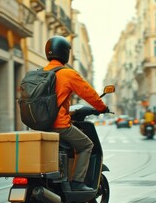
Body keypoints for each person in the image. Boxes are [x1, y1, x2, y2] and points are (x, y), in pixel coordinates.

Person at [44, 36, 109, 192]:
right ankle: (77, 182)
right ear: (66, 53)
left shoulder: (40, 73)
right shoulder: (68, 74)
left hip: (39, 125)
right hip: (58, 125)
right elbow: (89, 93)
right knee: (86, 145)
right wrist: (102, 107)